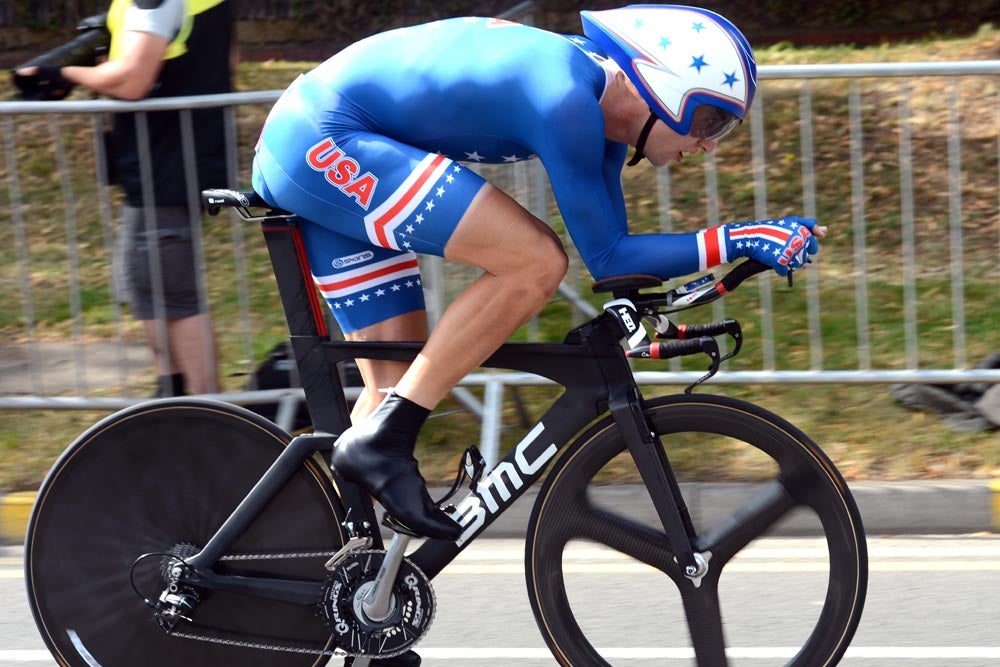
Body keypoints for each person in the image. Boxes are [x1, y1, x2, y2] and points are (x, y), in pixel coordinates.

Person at [252, 5, 826, 545]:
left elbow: (616, 261)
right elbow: (608, 257)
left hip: (319, 134)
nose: (708, 145)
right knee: (534, 262)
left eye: (723, 128)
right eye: (709, 120)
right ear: (661, 86)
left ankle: (315, 575)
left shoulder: (600, 113)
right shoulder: (567, 99)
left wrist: (673, 293)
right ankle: (381, 445)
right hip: (324, 136)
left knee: (388, 396)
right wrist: (740, 238)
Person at [16, 0, 232, 396]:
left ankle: (208, 409)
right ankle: (173, 393)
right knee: (146, 282)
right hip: (169, 158)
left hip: (166, 161)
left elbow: (133, 79)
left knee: (170, 287)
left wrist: (62, 72)